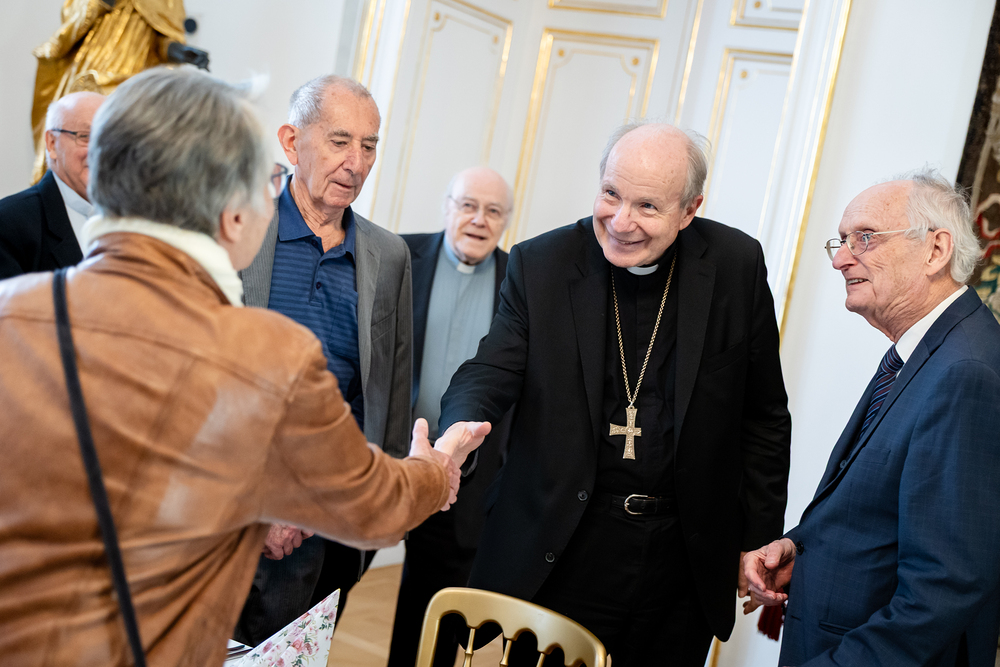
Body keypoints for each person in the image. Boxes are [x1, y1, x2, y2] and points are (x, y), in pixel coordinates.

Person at [0, 66, 489, 667]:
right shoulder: (268, 353)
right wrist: (435, 470)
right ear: (231, 215)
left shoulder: (10, 310)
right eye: (266, 182)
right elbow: (374, 504)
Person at [438, 121, 792, 666]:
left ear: (689, 210)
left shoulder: (734, 265)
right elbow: (490, 368)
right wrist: (459, 429)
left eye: (647, 206)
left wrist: (759, 540)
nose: (620, 222)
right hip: (563, 545)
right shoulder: (543, 264)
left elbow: (764, 415)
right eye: (610, 194)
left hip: (682, 560)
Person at [743, 171, 1000, 667]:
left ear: (935, 250)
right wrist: (801, 548)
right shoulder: (925, 351)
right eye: (841, 241)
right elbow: (877, 513)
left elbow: (945, 587)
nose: (840, 259)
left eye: (865, 238)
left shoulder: (965, 372)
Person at [235, 74, 415, 646]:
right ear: (292, 143)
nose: (356, 163)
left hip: (326, 515)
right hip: (226, 503)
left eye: (369, 146)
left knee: (294, 653)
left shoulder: (388, 256)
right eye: (339, 141)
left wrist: (377, 504)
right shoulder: (235, 231)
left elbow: (389, 387)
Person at [387, 166, 515, 667]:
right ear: (447, 207)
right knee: (334, 583)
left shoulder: (519, 279)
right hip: (387, 457)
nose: (479, 220)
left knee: (434, 609)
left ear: (506, 220)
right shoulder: (398, 256)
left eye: (493, 211)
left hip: (465, 474)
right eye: (468, 205)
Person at [0, 91, 104, 279]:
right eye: (86, 136)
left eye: (110, 137)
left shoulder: (139, 217)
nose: (100, 149)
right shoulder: (8, 222)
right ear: (52, 143)